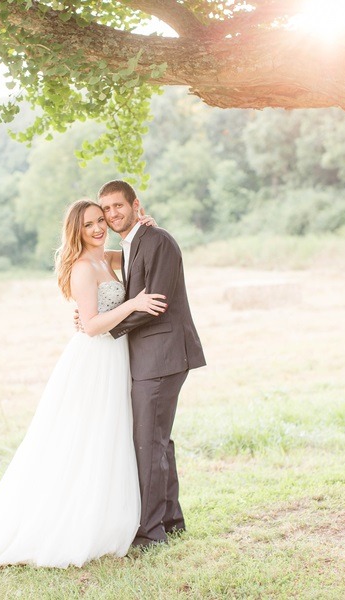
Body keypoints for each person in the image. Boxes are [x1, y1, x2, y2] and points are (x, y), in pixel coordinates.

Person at [0, 199, 165, 568]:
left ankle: (109, 513)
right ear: (75, 231)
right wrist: (133, 304)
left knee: (109, 436)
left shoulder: (107, 258)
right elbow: (92, 324)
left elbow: (131, 253)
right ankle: (68, 521)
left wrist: (143, 227)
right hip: (95, 359)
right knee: (82, 437)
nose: (97, 228)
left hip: (116, 357)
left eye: (100, 221)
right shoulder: (81, 267)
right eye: (88, 225)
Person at [97, 179, 206, 549]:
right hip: (149, 355)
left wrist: (103, 330)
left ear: (135, 204)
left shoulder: (156, 240)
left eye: (118, 206)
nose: (112, 214)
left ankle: (149, 535)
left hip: (162, 355)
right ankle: (171, 522)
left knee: (149, 441)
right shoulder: (131, 244)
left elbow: (154, 303)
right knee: (157, 440)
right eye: (106, 209)